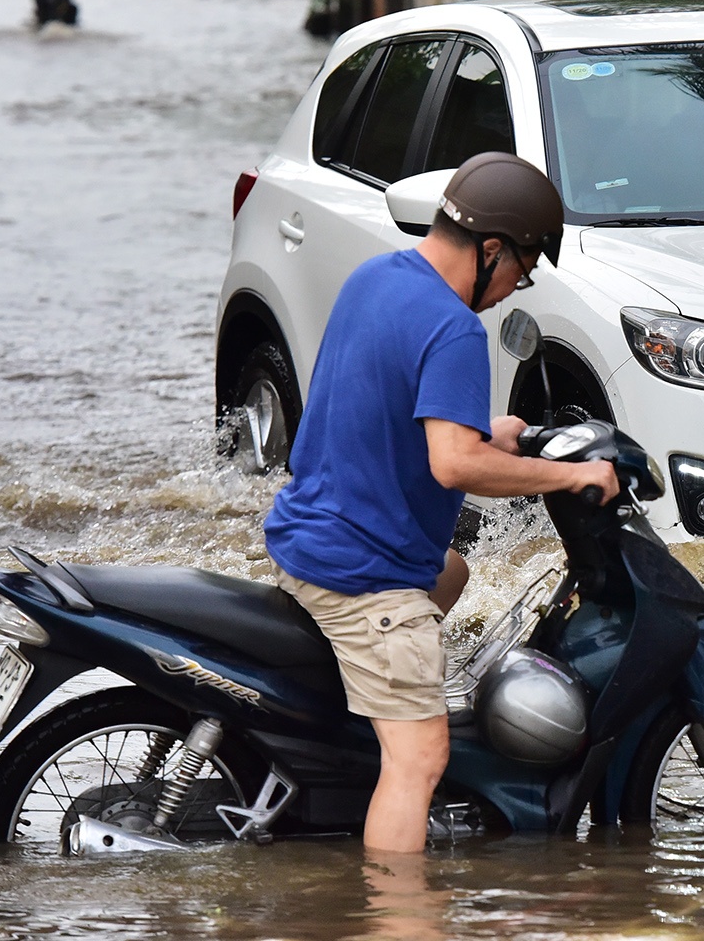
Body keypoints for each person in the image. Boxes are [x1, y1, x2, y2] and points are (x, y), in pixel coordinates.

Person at [262, 152, 620, 854]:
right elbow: (452, 463)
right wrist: (569, 479)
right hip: (361, 578)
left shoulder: (377, 278)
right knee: (421, 759)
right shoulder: (456, 327)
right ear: (491, 250)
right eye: (524, 266)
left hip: (307, 538)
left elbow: (384, 409)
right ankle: (398, 919)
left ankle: (375, 720)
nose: (519, 285)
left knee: (451, 572)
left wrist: (495, 432)